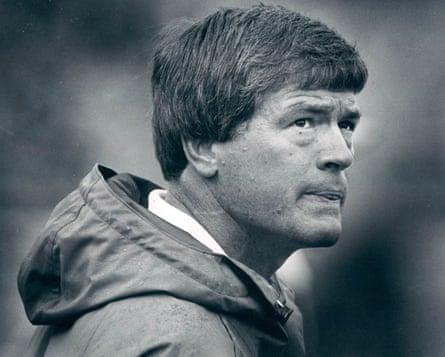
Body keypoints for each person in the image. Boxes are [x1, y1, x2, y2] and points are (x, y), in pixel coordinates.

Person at [17, 4, 367, 356]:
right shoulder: (175, 339)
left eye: (346, 125)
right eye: (303, 122)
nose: (341, 153)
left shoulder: (188, 306)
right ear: (203, 147)